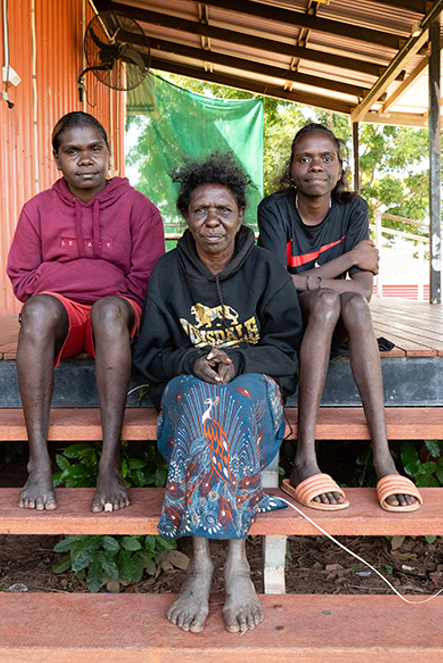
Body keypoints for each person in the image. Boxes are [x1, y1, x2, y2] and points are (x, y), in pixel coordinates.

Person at [134, 151, 303, 633]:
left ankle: (229, 564)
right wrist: (191, 361)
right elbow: (148, 355)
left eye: (224, 210)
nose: (212, 221)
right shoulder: (167, 272)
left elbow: (288, 350)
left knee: (229, 401)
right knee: (208, 401)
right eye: (200, 210)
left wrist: (239, 360)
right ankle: (211, 562)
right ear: (186, 216)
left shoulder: (267, 269)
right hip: (186, 399)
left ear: (240, 215)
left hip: (254, 397)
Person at [258, 122, 422, 513]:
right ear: (292, 169)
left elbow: (363, 289)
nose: (316, 166)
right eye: (305, 158)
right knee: (331, 300)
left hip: (335, 320)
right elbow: (276, 285)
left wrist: (307, 280)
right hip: (288, 322)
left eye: (326, 158)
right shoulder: (275, 208)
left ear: (339, 167)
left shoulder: (353, 209)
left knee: (352, 305)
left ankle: (383, 457)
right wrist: (348, 259)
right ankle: (304, 458)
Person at [7, 111, 165, 513]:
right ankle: (38, 460)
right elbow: (24, 282)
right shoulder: (37, 210)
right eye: (72, 151)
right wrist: (99, 275)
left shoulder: (138, 208)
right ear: (57, 159)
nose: (85, 159)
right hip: (64, 317)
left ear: (109, 153)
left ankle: (109, 463)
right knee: (38, 310)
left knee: (110, 312)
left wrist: (61, 274)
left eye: (95, 149)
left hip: (114, 320)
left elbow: (145, 282)